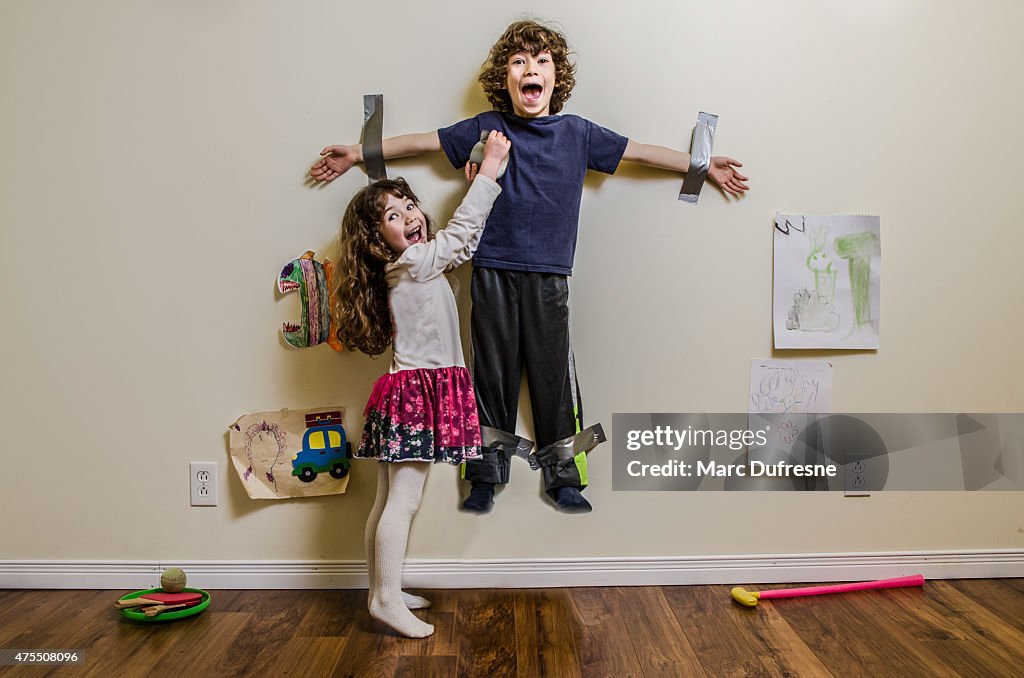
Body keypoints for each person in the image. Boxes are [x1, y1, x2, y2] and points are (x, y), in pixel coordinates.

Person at [311, 20, 749, 515]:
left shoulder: (577, 132)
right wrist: (359, 152)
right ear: (506, 79)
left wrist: (700, 165)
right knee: (490, 375)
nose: (530, 69)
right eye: (520, 62)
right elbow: (425, 142)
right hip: (491, 269)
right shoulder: (487, 128)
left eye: (541, 62)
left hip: (550, 275)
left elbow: (641, 152)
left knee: (553, 377)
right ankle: (483, 474)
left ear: (555, 78)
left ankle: (565, 475)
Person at [336, 131, 511, 638]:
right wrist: (493, 171)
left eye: (409, 205)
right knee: (403, 503)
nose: (410, 215)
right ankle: (387, 600)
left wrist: (476, 186)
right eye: (393, 215)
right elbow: (457, 239)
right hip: (416, 396)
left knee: (386, 503)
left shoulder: (413, 264)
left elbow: (461, 244)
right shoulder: (413, 263)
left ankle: (381, 590)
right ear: (376, 240)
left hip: (409, 392)